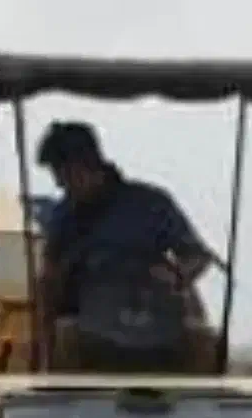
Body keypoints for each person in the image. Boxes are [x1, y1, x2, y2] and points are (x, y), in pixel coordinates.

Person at [34, 120, 215, 363]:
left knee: (204, 340)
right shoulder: (63, 217)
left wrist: (178, 276)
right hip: (88, 328)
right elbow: (49, 280)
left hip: (156, 318)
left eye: (64, 174)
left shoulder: (151, 205)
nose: (59, 184)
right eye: (57, 176)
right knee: (65, 338)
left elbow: (199, 256)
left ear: (87, 165)